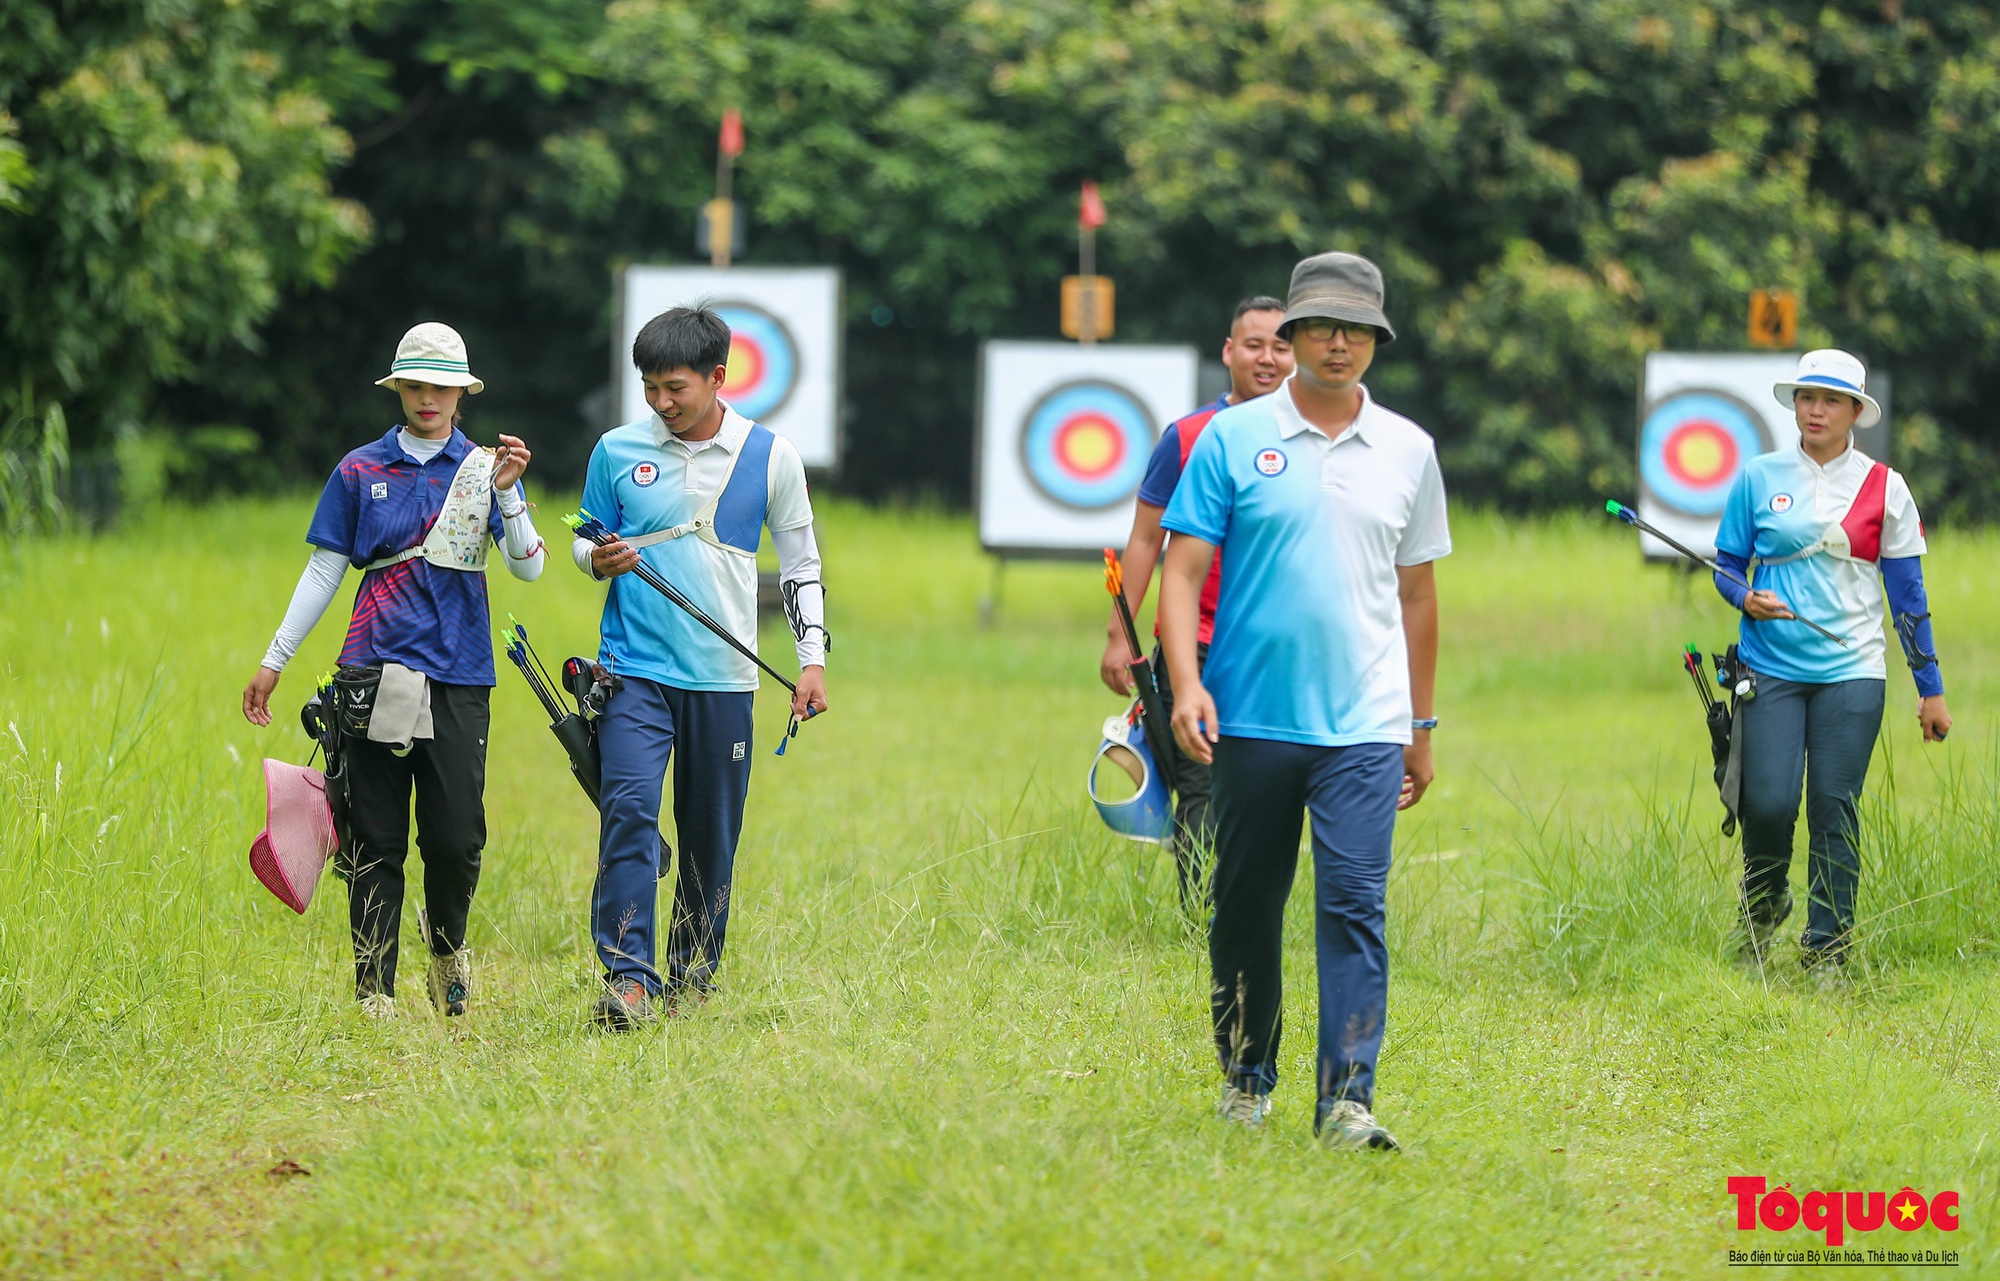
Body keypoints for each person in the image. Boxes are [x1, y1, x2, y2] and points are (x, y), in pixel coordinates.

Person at [1158, 251, 1449, 1150]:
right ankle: (1248, 1078)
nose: (1337, 343)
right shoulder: (1232, 439)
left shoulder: (1409, 449)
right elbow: (1182, 571)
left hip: (1365, 723)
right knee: (1246, 903)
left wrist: (1421, 726)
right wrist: (1187, 682)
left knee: (1355, 907)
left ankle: (1347, 1102)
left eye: (1356, 329)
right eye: (1321, 326)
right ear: (1288, 336)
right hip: (1248, 718)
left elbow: (1419, 596)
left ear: (1375, 341)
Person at [242, 322, 548, 1018]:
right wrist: (274, 659)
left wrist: (508, 492)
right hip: (371, 671)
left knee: (455, 836)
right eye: (415, 385)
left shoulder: (483, 468)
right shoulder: (359, 470)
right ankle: (373, 991)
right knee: (374, 834)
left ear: (461, 392)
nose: (427, 398)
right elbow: (323, 570)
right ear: (399, 389)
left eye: (440, 386)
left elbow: (528, 566)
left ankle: (448, 952)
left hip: (460, 674)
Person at [575, 304, 829, 1030]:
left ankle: (692, 976)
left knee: (710, 834)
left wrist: (811, 660)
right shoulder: (617, 450)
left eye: (675, 388)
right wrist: (596, 557)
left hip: (723, 678)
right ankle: (628, 978)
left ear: (718, 378)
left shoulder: (769, 456)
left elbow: (802, 564)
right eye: (649, 387)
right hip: (634, 671)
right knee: (626, 810)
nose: (660, 403)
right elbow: (582, 536)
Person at [1712, 348, 1950, 983]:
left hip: (1853, 672)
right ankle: (1763, 914)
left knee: (1833, 808)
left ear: (1855, 413)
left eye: (1831, 401)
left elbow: (1908, 599)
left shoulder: (1883, 486)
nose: (1815, 410)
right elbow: (1728, 566)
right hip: (1769, 668)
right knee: (1766, 803)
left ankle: (1827, 950)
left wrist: (1931, 691)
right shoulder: (1759, 477)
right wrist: (1744, 597)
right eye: (1806, 397)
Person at [1099, 295, 1294, 905]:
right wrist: (1117, 636)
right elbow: (1143, 539)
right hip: (1197, 647)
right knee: (1203, 788)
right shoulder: (1186, 437)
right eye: (1254, 345)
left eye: (1281, 346)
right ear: (1228, 352)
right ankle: (1202, 922)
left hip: (1284, 652)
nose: (1268, 359)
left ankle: (1255, 908)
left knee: (1273, 790)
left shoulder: (1316, 437)